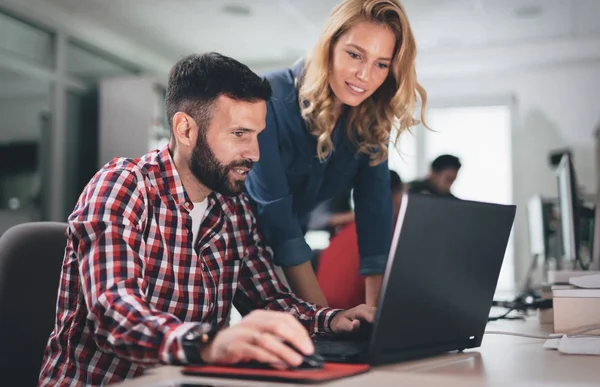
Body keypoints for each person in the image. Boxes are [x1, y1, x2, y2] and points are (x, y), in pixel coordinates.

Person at [38, 53, 374, 387]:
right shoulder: (122, 186)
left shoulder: (234, 207)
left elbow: (270, 299)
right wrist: (208, 344)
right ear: (185, 129)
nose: (255, 153)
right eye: (239, 134)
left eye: (257, 135)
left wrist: (334, 320)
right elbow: (114, 313)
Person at [245, 0, 427, 307]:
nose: (364, 76)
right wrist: (325, 316)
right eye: (355, 54)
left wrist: (376, 316)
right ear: (329, 45)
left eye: (381, 64)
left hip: (288, 251)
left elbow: (375, 211)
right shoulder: (267, 97)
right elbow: (275, 212)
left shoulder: (368, 118)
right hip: (228, 247)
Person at [316, 171, 404, 309]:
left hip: (322, 315)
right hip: (351, 320)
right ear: (398, 197)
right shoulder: (390, 235)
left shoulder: (345, 232)